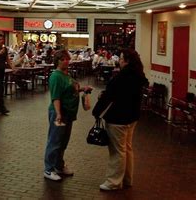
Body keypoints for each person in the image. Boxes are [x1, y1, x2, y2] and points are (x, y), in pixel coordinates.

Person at [91, 48, 148, 191]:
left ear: (127, 61)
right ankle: (127, 178)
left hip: (118, 117)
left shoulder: (121, 77)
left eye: (121, 58)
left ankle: (113, 181)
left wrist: (97, 111)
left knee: (117, 151)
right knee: (127, 148)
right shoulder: (138, 76)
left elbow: (109, 96)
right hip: (132, 116)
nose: (119, 61)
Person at [43, 49, 92, 181]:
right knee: (54, 141)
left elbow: (71, 89)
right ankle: (49, 169)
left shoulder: (66, 75)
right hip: (60, 113)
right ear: (57, 61)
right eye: (63, 59)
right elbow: (56, 97)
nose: (66, 61)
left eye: (67, 59)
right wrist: (58, 113)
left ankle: (59, 165)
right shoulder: (56, 77)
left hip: (69, 113)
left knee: (63, 141)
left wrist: (83, 89)